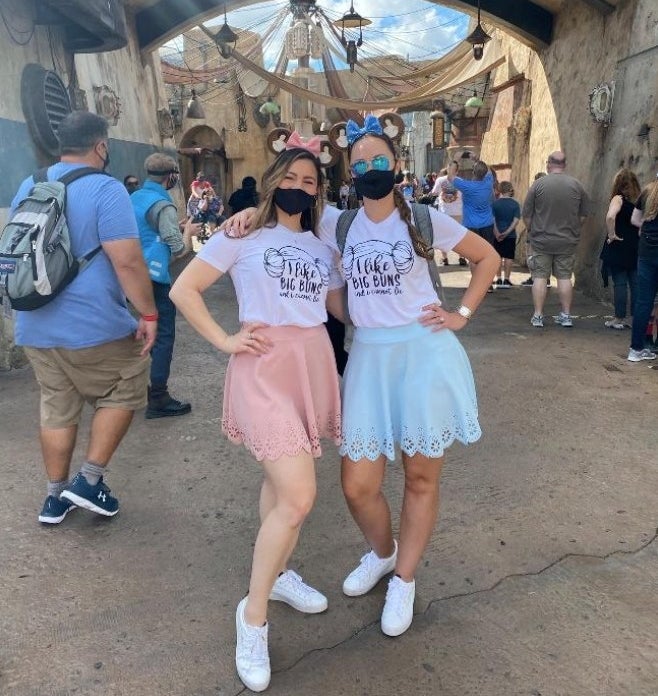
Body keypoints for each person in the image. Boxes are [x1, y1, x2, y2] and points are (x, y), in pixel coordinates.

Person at [222, 114, 499, 639]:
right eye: (361, 162)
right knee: (358, 485)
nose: (372, 168)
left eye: (380, 160)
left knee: (420, 478)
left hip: (424, 356)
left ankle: (405, 579)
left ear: (396, 164)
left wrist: (461, 313)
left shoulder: (423, 218)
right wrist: (240, 221)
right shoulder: (337, 224)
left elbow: (486, 257)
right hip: (369, 359)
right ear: (350, 170)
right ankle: (382, 552)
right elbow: (284, 224)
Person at [170, 136, 344, 692]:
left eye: (310, 182)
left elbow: (343, 306)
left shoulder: (324, 243)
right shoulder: (241, 232)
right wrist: (224, 340)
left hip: (312, 363)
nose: (299, 189)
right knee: (298, 497)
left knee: (279, 489)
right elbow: (184, 289)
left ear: (319, 191)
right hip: (264, 369)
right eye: (290, 179)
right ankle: (253, 616)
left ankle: (282, 574)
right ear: (273, 180)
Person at [10, 111, 157, 524]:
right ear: (101, 146)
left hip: (35, 321)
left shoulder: (32, 183)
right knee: (126, 385)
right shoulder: (106, 189)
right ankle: (89, 481)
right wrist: (148, 312)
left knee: (57, 406)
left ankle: (54, 499)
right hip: (93, 326)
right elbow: (127, 261)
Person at [131, 153, 200, 418]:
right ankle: (158, 397)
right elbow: (179, 248)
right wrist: (188, 232)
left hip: (132, 273)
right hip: (155, 277)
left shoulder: (135, 197)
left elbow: (148, 231)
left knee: (136, 330)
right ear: (171, 176)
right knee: (162, 335)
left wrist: (173, 228)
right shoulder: (163, 205)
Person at [522, 151, 590, 328]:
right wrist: (574, 228)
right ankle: (566, 315)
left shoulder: (538, 185)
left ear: (548, 164)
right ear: (565, 165)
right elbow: (583, 215)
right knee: (565, 277)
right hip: (567, 240)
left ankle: (538, 315)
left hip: (541, 239)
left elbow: (527, 214)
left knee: (539, 277)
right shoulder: (577, 185)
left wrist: (532, 230)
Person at [601, 168, 641, 330]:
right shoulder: (639, 200)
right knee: (636, 284)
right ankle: (634, 319)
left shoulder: (618, 199)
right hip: (636, 246)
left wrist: (611, 234)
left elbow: (610, 216)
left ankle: (619, 318)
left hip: (619, 244)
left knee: (620, 284)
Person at [627, 176, 658, 361]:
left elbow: (635, 219)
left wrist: (646, 227)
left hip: (647, 252)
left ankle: (635, 350)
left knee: (643, 302)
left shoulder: (647, 191)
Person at [431, 165, 465, 266]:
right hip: (458, 212)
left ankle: (445, 258)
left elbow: (433, 193)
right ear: (457, 171)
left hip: (444, 213)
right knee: (460, 236)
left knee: (443, 236)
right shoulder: (461, 181)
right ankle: (462, 257)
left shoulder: (440, 180)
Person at [492, 181, 521, 286]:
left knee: (497, 256)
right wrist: (507, 232)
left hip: (497, 235)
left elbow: (493, 220)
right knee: (509, 257)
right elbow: (516, 220)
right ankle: (507, 279)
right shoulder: (515, 204)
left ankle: (498, 278)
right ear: (510, 190)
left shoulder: (495, 204)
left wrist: (497, 232)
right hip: (510, 235)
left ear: (499, 190)